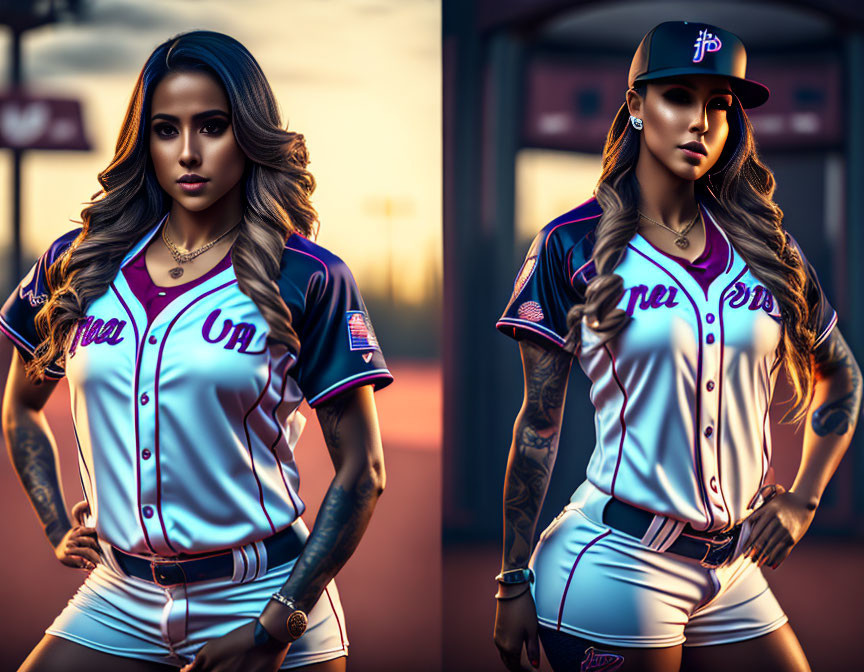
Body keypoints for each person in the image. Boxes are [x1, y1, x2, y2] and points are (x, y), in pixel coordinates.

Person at [1, 30, 392, 672]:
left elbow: (363, 473)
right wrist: (54, 524)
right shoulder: (80, 262)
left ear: (250, 132)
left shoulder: (306, 274)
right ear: (143, 141)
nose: (188, 152)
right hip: (121, 594)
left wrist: (276, 627)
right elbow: (20, 406)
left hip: (267, 592)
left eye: (212, 125)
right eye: (165, 129)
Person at [492, 21, 861, 672]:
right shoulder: (570, 244)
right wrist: (513, 578)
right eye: (679, 97)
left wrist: (804, 496)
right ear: (635, 106)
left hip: (735, 567)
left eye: (719, 104)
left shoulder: (768, 248)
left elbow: (844, 378)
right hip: (616, 562)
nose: (700, 122)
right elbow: (538, 427)